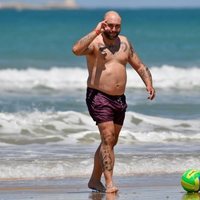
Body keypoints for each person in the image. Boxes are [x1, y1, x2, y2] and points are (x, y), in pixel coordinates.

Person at [72, 10, 155, 193]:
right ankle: (109, 183)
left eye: (117, 26)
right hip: (98, 95)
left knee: (109, 142)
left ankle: (94, 181)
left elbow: (139, 65)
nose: (113, 29)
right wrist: (95, 32)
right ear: (104, 24)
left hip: (119, 99)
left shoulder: (124, 43)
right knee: (108, 137)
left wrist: (149, 83)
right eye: (110, 25)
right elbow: (76, 50)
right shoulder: (95, 42)